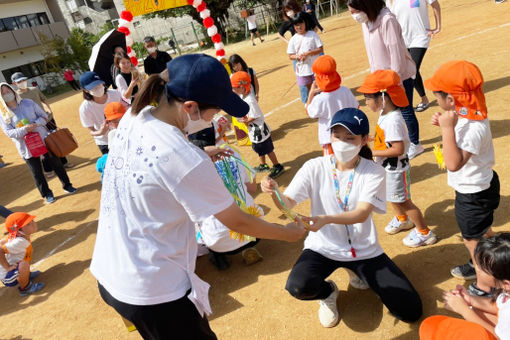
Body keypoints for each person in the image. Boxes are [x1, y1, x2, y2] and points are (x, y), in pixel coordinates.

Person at [89, 54, 306, 340]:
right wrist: (287, 233)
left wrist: (204, 152)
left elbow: (156, 161)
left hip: (111, 271)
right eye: (213, 111)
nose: (216, 117)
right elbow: (237, 221)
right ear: (189, 106)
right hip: (153, 289)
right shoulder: (183, 156)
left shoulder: (134, 116)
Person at [261, 108, 422, 328]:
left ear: (364, 140)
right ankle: (328, 293)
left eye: (350, 138)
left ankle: (356, 270)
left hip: (364, 250)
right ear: (330, 136)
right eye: (337, 136)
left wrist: (326, 219)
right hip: (323, 247)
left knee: (410, 310)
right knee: (298, 286)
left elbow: (362, 213)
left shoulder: (373, 171)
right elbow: (287, 203)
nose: (342, 143)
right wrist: (275, 193)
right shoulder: (314, 166)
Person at [425, 60, 499, 297]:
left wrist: (447, 129)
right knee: (482, 229)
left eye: (438, 96)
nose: (436, 100)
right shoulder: (468, 113)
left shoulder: (473, 127)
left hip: (473, 193)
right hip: (480, 186)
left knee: (473, 241)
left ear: (452, 99)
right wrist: (446, 125)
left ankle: (485, 284)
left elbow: (454, 163)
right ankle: (484, 261)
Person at [358, 70, 436, 247]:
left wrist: (372, 153)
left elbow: (398, 149)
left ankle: (425, 232)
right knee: (392, 196)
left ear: (383, 97)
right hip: (387, 168)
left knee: (403, 200)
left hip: (396, 169)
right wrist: (373, 140)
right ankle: (402, 219)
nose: (366, 102)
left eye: (368, 98)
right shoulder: (385, 114)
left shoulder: (393, 120)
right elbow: (385, 139)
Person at [347, 0, 424, 160]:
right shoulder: (366, 22)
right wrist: (376, 80)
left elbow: (395, 54)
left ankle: (415, 144)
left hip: (398, 78)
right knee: (388, 114)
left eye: (355, 11)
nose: (353, 16)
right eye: (351, 12)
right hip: (381, 80)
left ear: (366, 6)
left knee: (406, 111)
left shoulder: (387, 20)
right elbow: (371, 53)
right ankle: (395, 142)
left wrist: (395, 83)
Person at [420, 233, 510, 340]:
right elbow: (498, 306)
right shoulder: (506, 292)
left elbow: (498, 338)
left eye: (482, 268)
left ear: (505, 284)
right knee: (477, 311)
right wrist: (470, 300)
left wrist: (464, 311)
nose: (477, 268)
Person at [0, 83, 76, 204]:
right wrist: (24, 129)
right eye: (3, 93)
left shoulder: (28, 103)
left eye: (7, 90)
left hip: (43, 139)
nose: (6, 94)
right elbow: (9, 132)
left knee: (56, 163)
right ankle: (47, 194)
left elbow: (44, 116)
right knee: (36, 172)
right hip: (26, 146)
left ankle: (67, 185)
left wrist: (35, 124)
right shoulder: (3, 114)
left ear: (13, 91)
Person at [11, 72, 73, 175]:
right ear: (14, 84)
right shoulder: (16, 96)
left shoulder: (34, 89)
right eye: (19, 82)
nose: (22, 83)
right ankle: (48, 169)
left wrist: (49, 110)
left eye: (23, 80)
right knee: (41, 146)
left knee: (55, 140)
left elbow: (43, 99)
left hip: (46, 119)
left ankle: (64, 162)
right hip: (34, 125)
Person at [386, 0, 441, 112]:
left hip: (421, 36)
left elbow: (435, 4)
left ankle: (418, 101)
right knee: (407, 69)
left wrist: (438, 27)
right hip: (402, 39)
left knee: (413, 68)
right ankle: (423, 98)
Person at [231, 71, 285, 178]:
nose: (233, 90)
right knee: (259, 149)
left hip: (260, 131)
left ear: (242, 87)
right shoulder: (243, 96)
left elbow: (255, 115)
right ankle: (263, 165)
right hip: (254, 131)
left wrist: (245, 121)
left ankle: (277, 165)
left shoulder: (250, 100)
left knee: (268, 149)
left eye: (235, 87)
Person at [306, 55, 359, 155]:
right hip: (349, 134)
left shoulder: (320, 98)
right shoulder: (345, 90)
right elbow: (356, 108)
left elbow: (309, 113)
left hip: (330, 139)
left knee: (332, 167)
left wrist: (311, 94)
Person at [79, 71, 125, 155]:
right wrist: (100, 132)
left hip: (123, 135)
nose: (98, 88)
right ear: (85, 90)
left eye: (99, 85)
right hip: (105, 142)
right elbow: (91, 131)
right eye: (93, 88)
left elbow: (126, 109)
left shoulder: (115, 94)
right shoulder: (85, 108)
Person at [0, 212, 44, 296]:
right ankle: (25, 288)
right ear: (19, 230)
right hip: (8, 277)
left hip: (14, 270)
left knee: (24, 262)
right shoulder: (19, 241)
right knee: (24, 264)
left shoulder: (18, 236)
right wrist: (7, 267)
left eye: (32, 221)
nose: (34, 224)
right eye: (28, 224)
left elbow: (2, 242)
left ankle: (26, 275)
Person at [287, 12, 324, 104]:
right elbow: (290, 56)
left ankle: (322, 104)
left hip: (315, 68)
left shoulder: (312, 34)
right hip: (303, 70)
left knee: (319, 88)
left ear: (305, 23)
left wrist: (309, 53)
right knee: (311, 89)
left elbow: (320, 49)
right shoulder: (293, 39)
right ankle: (314, 105)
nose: (299, 27)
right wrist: (297, 57)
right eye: (296, 25)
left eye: (301, 24)